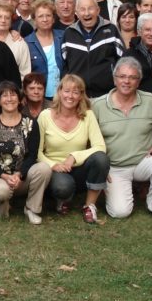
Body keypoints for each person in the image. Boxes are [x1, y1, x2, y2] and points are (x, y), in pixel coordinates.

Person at [92, 57, 152, 220]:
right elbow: (86, 135)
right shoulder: (98, 105)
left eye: (132, 77)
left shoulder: (151, 101)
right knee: (120, 212)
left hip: (143, 162)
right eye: (122, 76)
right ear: (114, 79)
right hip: (115, 168)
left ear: (138, 82)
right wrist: (99, 168)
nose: (127, 81)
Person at [37, 74, 110, 224]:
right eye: (67, 91)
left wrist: (74, 157)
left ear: (81, 96)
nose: (70, 96)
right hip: (56, 169)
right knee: (63, 187)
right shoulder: (45, 116)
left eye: (76, 92)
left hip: (80, 167)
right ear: (59, 92)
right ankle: (63, 199)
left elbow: (100, 146)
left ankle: (89, 206)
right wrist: (53, 165)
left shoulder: (88, 115)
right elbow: (37, 152)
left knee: (101, 159)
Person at [0, 81, 51, 224]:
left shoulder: (30, 123)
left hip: (21, 179)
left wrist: (19, 174)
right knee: (2, 191)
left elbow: (32, 155)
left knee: (44, 168)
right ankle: (3, 202)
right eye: (4, 95)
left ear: (19, 99)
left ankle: (31, 209)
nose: (9, 99)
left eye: (13, 95)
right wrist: (4, 176)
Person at [61, 0, 124, 98]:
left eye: (90, 8)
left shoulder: (111, 30)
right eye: (82, 9)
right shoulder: (68, 34)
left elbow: (123, 61)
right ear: (76, 13)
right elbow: (63, 66)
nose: (87, 13)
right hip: (77, 96)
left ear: (98, 10)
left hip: (107, 95)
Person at [25, 0, 64, 101]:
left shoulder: (64, 37)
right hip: (39, 96)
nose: (45, 19)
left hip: (63, 94)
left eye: (48, 15)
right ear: (34, 20)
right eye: (40, 16)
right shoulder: (27, 43)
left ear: (53, 19)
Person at [0, 4, 32, 77]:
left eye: (7, 18)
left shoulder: (20, 44)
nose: (3, 20)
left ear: (11, 21)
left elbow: (25, 73)